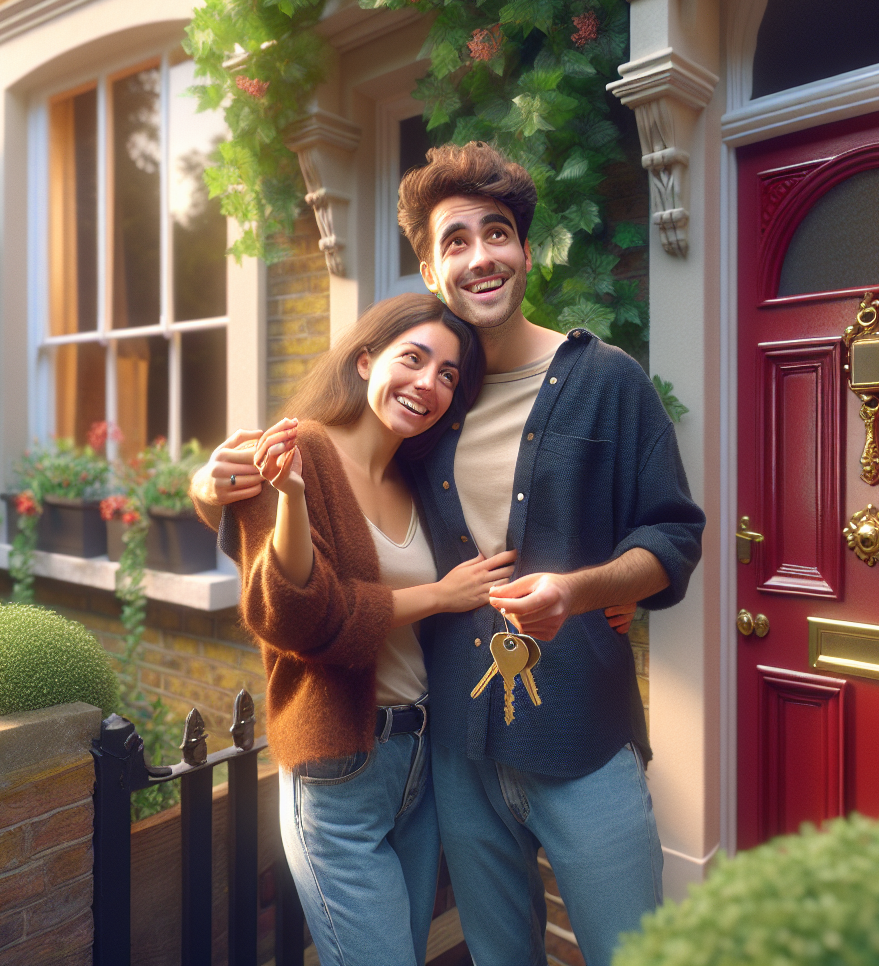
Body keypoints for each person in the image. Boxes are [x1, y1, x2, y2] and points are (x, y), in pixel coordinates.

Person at [200, 141, 705, 966]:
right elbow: (319, 479)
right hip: (457, 755)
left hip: (583, 734)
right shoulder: (430, 406)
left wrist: (585, 589)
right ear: (431, 272)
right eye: (456, 241)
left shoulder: (607, 380)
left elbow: (671, 536)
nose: (481, 256)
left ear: (526, 251)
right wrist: (207, 482)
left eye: (497, 233)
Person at [191, 292, 513, 966]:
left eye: (448, 375)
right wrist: (289, 499)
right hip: (341, 763)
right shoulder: (294, 449)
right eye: (414, 358)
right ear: (366, 361)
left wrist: (611, 591)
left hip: (423, 758)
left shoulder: (421, 477)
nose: (429, 383)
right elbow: (301, 619)